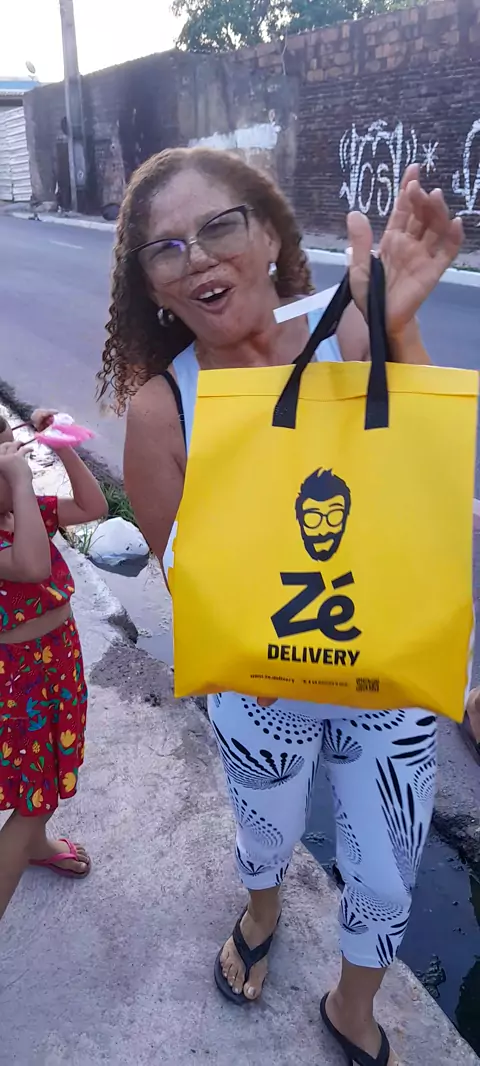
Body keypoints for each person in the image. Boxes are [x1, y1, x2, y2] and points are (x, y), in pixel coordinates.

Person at [97, 148, 463, 1066]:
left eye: (218, 226)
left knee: (386, 873)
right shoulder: (163, 410)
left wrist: (401, 332)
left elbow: (430, 493)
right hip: (261, 693)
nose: (197, 257)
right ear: (152, 286)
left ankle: (352, 1004)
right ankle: (263, 910)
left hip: (387, 679)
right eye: (166, 248)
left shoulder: (354, 329)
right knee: (265, 831)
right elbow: (190, 581)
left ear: (268, 235)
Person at [0, 410, 107, 919]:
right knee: (33, 798)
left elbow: (93, 506)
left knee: (43, 776)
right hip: (16, 683)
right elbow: (32, 565)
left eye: (12, 456)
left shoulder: (23, 515)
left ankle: (36, 845)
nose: (13, 471)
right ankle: (30, 838)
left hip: (58, 664)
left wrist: (63, 446)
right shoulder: (18, 523)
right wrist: (21, 483)